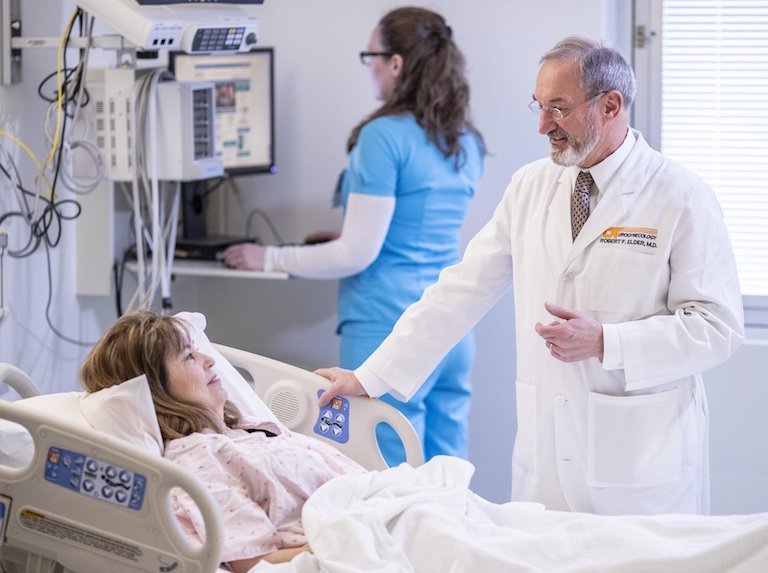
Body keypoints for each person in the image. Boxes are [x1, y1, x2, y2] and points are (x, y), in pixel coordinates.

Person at [314, 35, 745, 516]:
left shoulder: (680, 195)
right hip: (547, 457)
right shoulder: (531, 186)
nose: (543, 126)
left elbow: (717, 327)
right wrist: (370, 377)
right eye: (538, 107)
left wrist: (607, 342)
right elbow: (461, 290)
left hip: (642, 459)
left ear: (610, 105)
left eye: (557, 109)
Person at [222, 7, 485, 466]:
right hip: (452, 328)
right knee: (447, 473)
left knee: (386, 472)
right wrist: (347, 237)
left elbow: (357, 253)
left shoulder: (383, 137)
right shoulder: (463, 139)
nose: (371, 68)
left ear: (397, 63)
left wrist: (265, 257)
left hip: (391, 327)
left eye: (372, 56)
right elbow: (417, 230)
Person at [79, 310, 365, 572]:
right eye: (189, 356)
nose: (209, 359)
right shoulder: (198, 457)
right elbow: (256, 561)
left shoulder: (246, 431)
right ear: (157, 390)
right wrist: (354, 539)